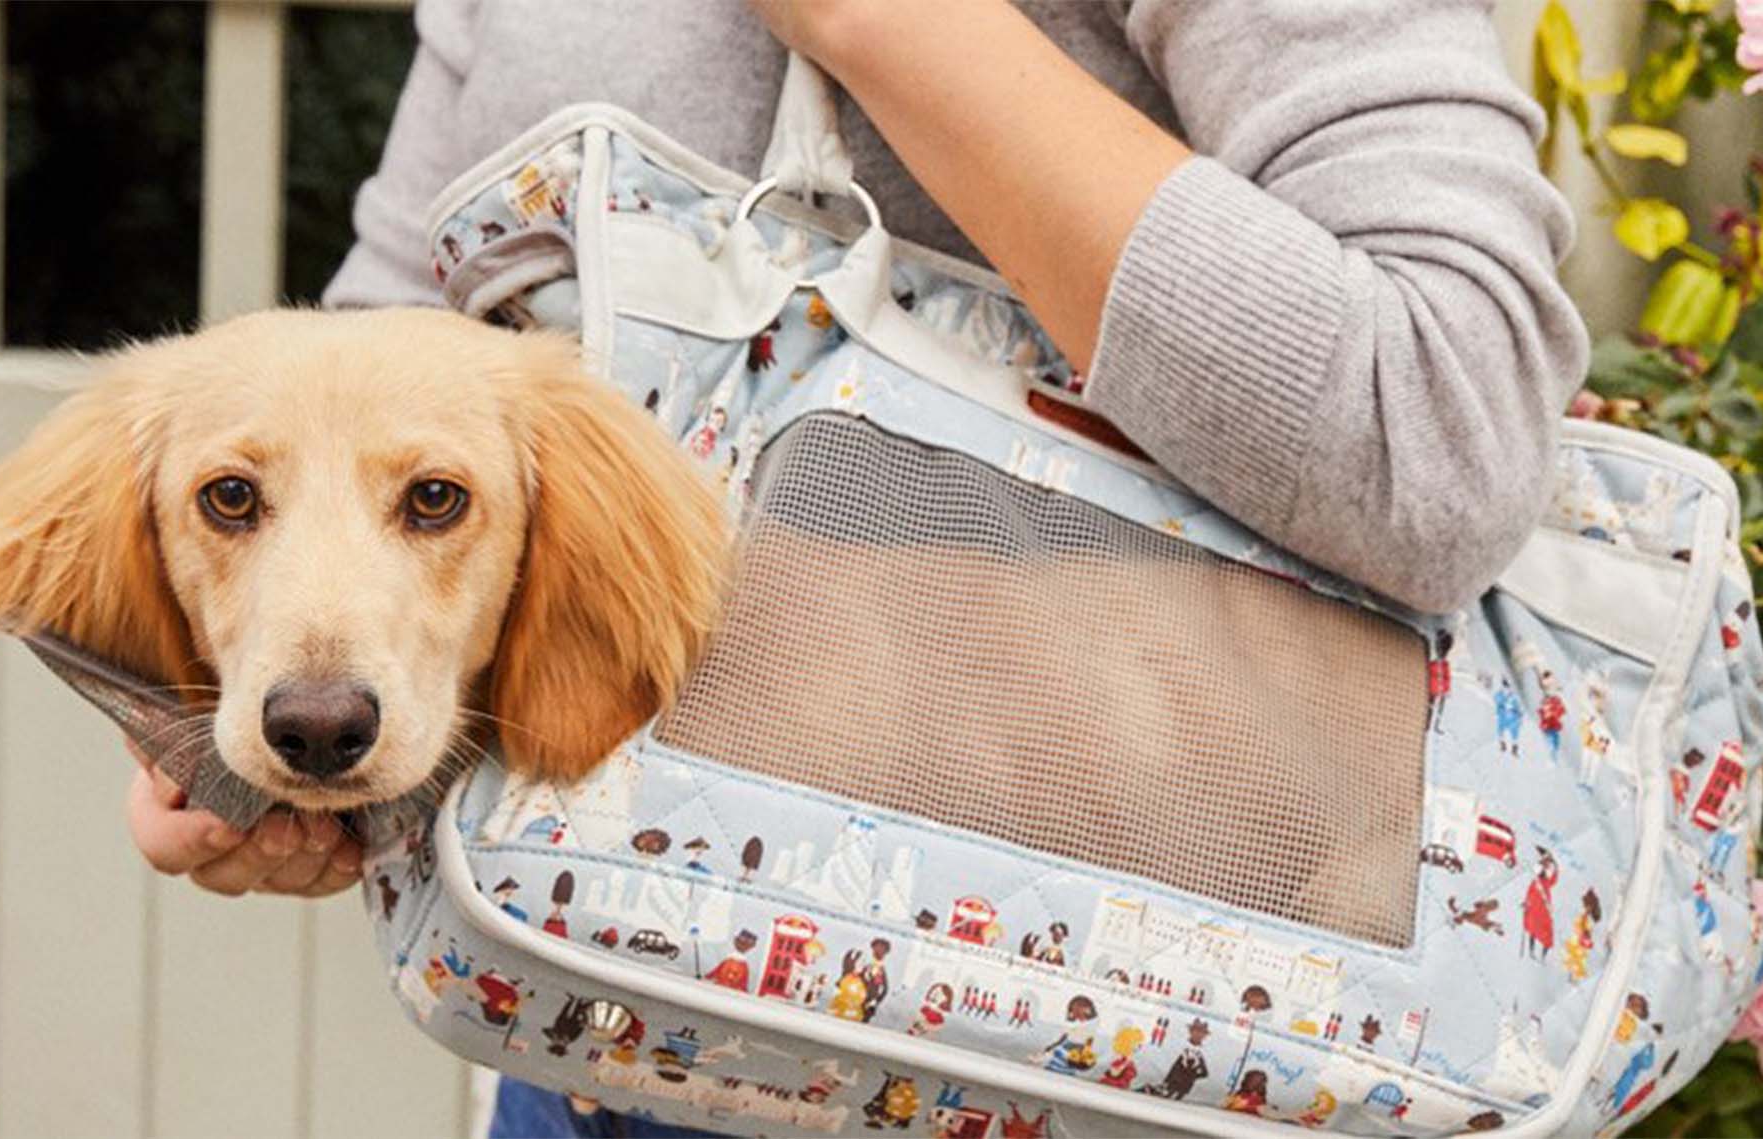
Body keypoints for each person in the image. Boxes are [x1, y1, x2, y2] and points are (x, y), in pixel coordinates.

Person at [126, 1, 1587, 1134]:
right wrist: (248, 716)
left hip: (1136, 1060)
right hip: (610, 1044)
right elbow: (394, 349)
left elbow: (1444, 442)